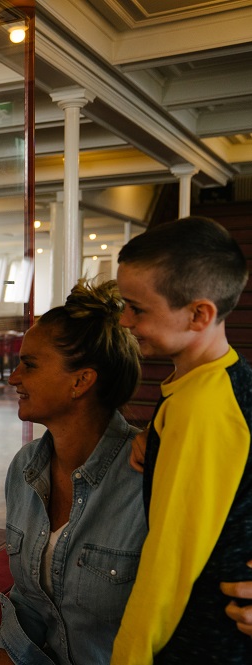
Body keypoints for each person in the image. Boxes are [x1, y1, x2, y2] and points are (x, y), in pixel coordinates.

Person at [112, 216, 252, 663]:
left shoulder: (203, 408)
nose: (124, 320)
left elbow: (169, 560)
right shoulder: (208, 383)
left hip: (203, 639)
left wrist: (130, 654)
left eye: (137, 309)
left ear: (199, 314)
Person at [0, 279, 145, 665]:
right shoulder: (25, 468)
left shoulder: (147, 478)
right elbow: (27, 603)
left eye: (29, 364)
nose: (14, 377)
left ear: (81, 381)